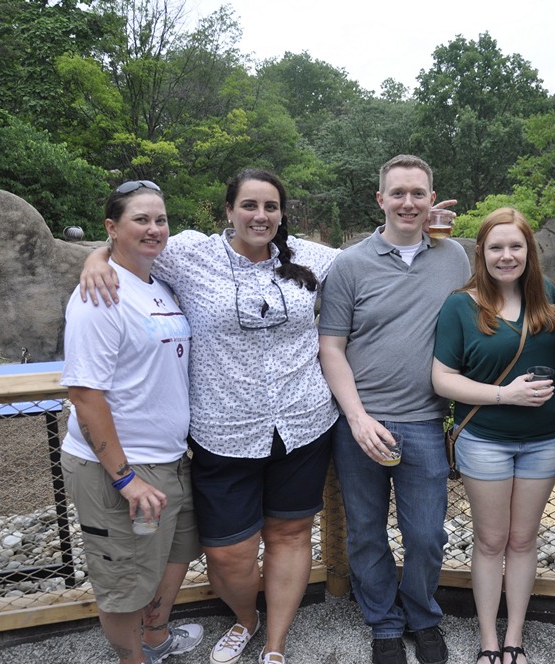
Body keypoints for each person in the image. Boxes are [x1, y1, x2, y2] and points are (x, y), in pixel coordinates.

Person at [80, 169, 340, 664]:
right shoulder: (190, 254)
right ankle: (247, 618)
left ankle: (276, 643)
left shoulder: (310, 256)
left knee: (290, 533)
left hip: (304, 424)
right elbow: (133, 244)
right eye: (249, 205)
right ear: (228, 211)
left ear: (281, 214)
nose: (260, 216)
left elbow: (373, 258)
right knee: (227, 553)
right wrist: (95, 257)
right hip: (223, 431)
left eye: (270, 207)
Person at [318, 154, 471, 664]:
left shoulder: (454, 259)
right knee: (365, 532)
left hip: (426, 422)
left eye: (418, 193)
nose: (408, 201)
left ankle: (423, 614)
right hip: (360, 423)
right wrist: (357, 418)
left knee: (426, 534)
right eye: (398, 193)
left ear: (432, 200)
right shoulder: (349, 264)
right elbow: (332, 346)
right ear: (379, 199)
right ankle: (383, 622)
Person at [61, 180, 203, 664]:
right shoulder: (97, 296)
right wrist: (123, 478)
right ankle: (133, 659)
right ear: (112, 228)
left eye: (160, 219)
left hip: (169, 458)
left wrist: (99, 254)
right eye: (140, 219)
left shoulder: (157, 282)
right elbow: (84, 393)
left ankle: (157, 638)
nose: (154, 228)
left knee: (176, 552)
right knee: (123, 579)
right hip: (120, 467)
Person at [431, 207, 555, 664]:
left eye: (516, 246)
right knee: (490, 541)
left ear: (530, 251)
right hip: (485, 439)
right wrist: (504, 395)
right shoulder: (461, 305)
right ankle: (489, 639)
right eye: (496, 247)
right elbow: (442, 379)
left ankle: (515, 638)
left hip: (544, 442)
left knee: (524, 540)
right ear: (480, 253)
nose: (507, 256)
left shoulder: (548, 298)